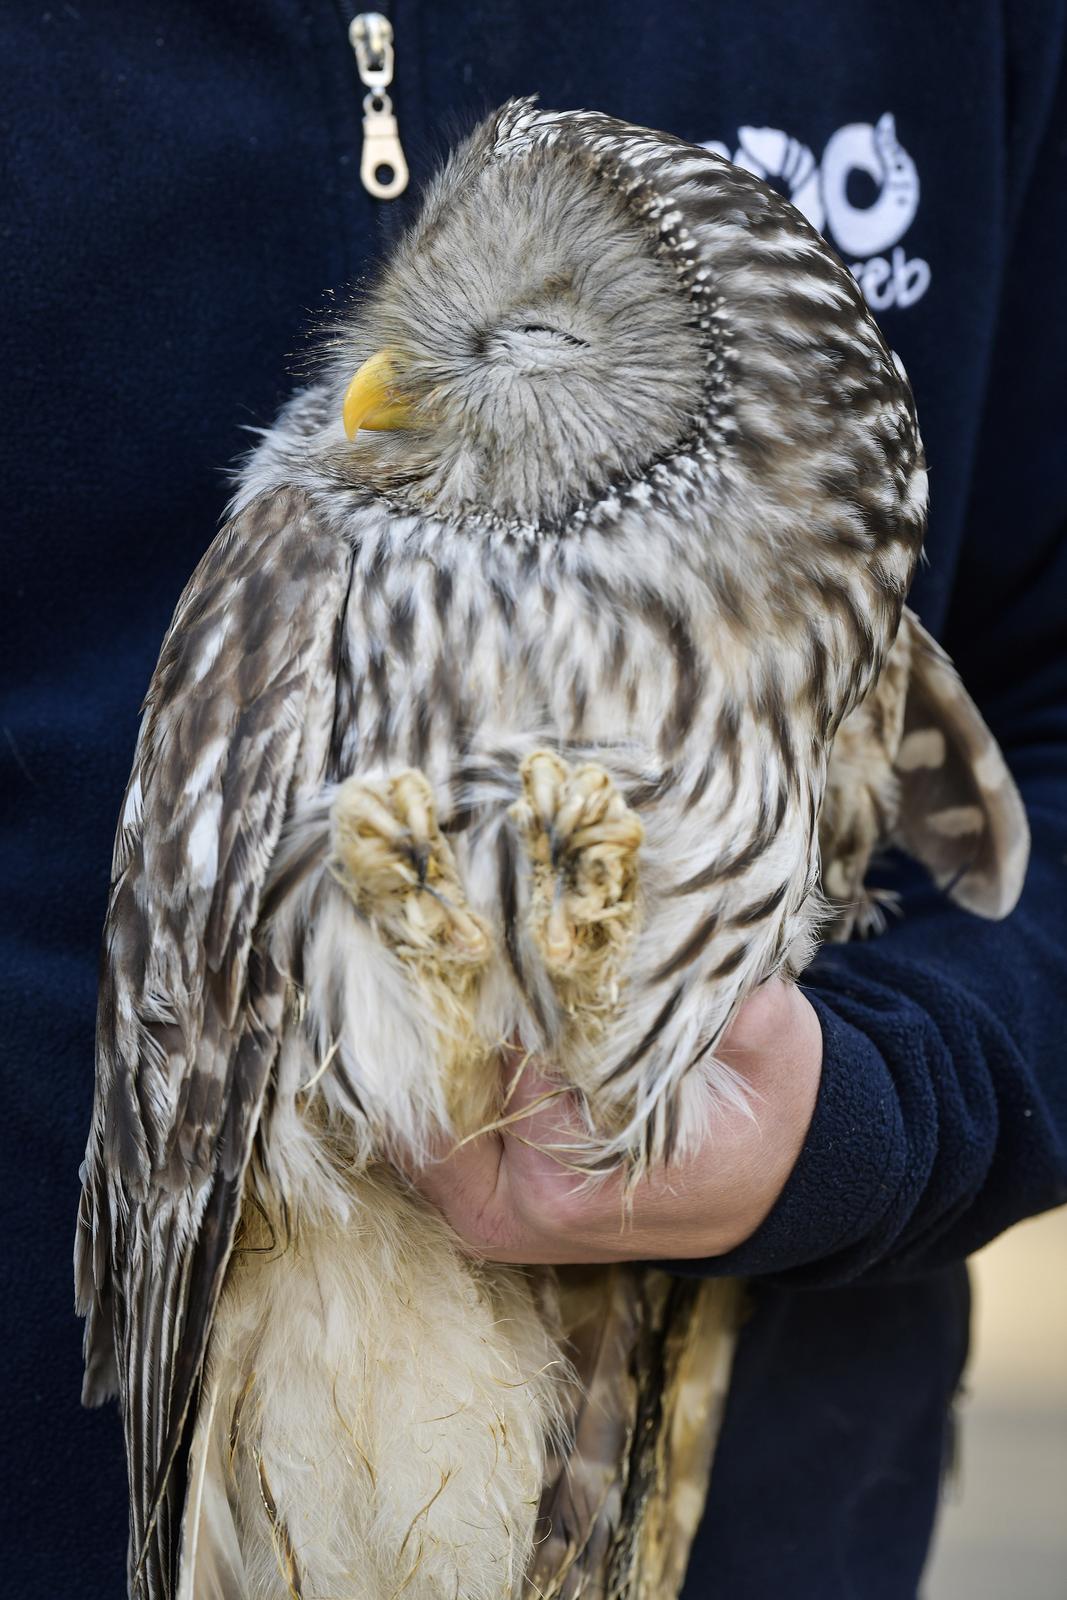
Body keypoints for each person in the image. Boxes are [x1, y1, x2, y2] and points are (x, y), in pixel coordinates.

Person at [3, 4, 1065, 1596]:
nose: (384, 381)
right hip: (184, 1454)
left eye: (533, 344)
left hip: (774, 1485)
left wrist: (865, 1114)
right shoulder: (305, 545)